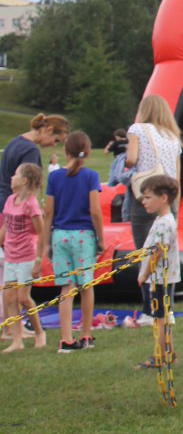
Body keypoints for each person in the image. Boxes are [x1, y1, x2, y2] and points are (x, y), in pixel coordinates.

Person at [42, 132, 104, 353]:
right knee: (86, 285)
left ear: (65, 151)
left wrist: (46, 242)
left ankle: (66, 339)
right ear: (87, 152)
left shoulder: (55, 177)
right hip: (84, 235)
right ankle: (86, 334)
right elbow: (95, 211)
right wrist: (101, 239)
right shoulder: (90, 176)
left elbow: (49, 210)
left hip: (60, 235)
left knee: (66, 288)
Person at [125, 95, 183, 318]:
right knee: (167, 253)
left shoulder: (137, 129)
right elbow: (177, 176)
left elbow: (131, 159)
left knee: (146, 251)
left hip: (146, 195)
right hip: (168, 200)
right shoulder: (173, 137)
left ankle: (149, 308)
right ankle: (166, 305)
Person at [135, 174, 181, 371]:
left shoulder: (164, 223)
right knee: (163, 315)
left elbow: (157, 254)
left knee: (159, 317)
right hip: (163, 277)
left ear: (163, 198)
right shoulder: (164, 219)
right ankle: (168, 352)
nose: (143, 202)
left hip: (159, 279)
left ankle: (160, 356)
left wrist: (144, 274)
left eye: (147, 197)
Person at [1, 162, 47, 352]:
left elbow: (41, 233)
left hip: (26, 257)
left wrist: (38, 261)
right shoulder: (11, 200)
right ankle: (17, 339)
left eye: (15, 175)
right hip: (10, 256)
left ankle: (39, 332)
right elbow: (6, 226)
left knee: (24, 298)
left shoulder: (31, 205)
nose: (12, 178)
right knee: (10, 298)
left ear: (24, 180)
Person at [0, 113, 68, 202]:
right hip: (15, 207)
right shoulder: (30, 151)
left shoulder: (14, 142)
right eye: (56, 140)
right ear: (49, 130)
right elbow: (27, 187)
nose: (54, 144)